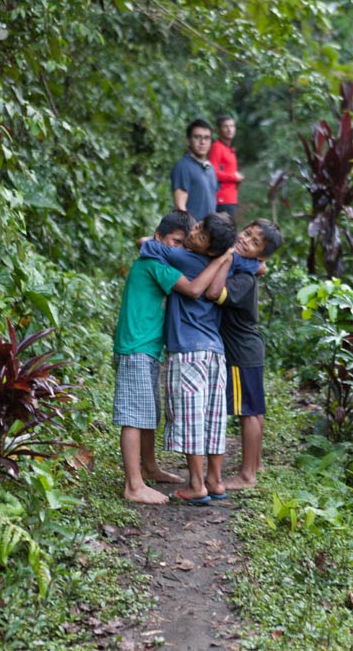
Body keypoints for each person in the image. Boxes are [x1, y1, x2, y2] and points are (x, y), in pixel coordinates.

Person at [113, 211, 234, 505]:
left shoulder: (160, 261)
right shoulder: (155, 263)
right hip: (136, 346)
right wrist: (220, 260)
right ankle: (133, 485)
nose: (179, 249)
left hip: (148, 347)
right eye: (175, 243)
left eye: (183, 243)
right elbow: (193, 290)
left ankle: (150, 467)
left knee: (148, 412)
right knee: (134, 414)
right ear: (160, 239)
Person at [139, 213, 260, 505]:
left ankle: (196, 484)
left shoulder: (182, 258)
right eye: (196, 228)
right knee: (213, 417)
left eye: (201, 235)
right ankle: (215, 480)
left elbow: (145, 244)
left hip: (188, 350)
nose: (193, 233)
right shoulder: (226, 264)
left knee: (191, 417)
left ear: (210, 248)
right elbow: (257, 265)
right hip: (216, 351)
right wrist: (224, 260)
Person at [206, 218, 283, 490]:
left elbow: (215, 293)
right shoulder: (247, 267)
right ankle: (256, 463)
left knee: (248, 412)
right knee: (254, 410)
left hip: (240, 350)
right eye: (247, 233)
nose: (245, 240)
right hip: (249, 348)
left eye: (253, 242)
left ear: (260, 255)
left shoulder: (243, 278)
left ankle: (247, 475)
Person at [171, 118, 218, 220]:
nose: (202, 142)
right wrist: (194, 231)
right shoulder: (183, 166)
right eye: (197, 137)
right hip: (192, 232)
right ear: (188, 140)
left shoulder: (210, 167)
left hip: (208, 231)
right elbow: (180, 207)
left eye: (207, 138)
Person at [209, 114, 244, 218]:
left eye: (232, 126)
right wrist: (234, 177)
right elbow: (213, 172)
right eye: (226, 126)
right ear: (219, 129)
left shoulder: (230, 149)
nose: (230, 129)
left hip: (231, 197)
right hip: (222, 199)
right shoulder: (217, 147)